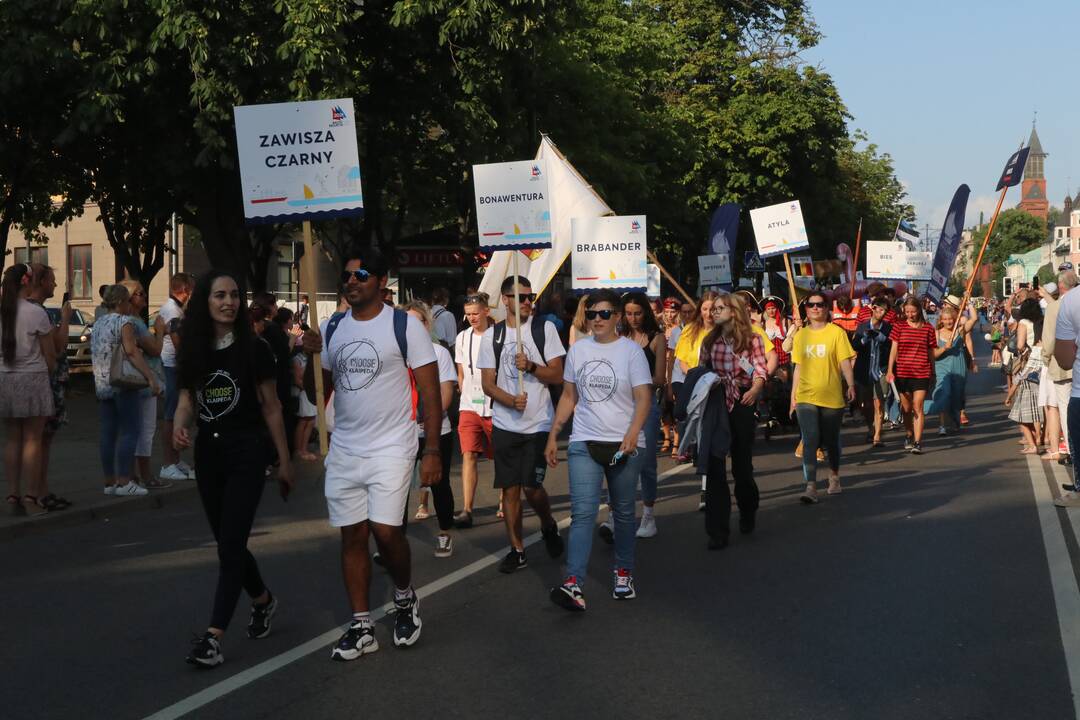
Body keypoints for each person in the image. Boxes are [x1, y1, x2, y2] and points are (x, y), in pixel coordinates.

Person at [301, 248, 442, 659]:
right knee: (352, 535)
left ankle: (403, 596)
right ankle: (361, 624)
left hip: (392, 446)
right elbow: (319, 389)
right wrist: (308, 355)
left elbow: (430, 393)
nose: (352, 281)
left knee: (385, 530)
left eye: (361, 274)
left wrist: (431, 449)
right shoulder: (332, 327)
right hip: (345, 447)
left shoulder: (404, 327)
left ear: (382, 281)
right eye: (347, 275)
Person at [174, 271, 293, 668]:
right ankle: (263, 600)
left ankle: (212, 637)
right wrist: (179, 424)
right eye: (220, 295)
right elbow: (189, 399)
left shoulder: (254, 348)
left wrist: (285, 459)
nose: (229, 302)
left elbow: (272, 406)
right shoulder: (194, 349)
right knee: (231, 544)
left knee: (228, 547)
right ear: (205, 302)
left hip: (247, 452)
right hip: (209, 455)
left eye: (235, 296)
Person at [545, 290, 652, 611]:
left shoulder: (631, 352)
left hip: (624, 445)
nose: (597, 320)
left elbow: (644, 397)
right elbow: (568, 396)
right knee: (582, 514)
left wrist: (633, 433)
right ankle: (573, 583)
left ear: (617, 317)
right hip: (584, 440)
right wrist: (553, 434)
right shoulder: (578, 351)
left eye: (604, 314)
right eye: (592, 314)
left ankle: (623, 573)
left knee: (621, 512)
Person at [477, 275, 565, 573]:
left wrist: (531, 366)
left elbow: (557, 375)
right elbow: (487, 383)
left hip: (538, 423)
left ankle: (548, 523)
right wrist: (508, 400)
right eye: (522, 297)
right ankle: (517, 550)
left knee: (531, 486)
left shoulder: (545, 329)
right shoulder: (493, 336)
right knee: (509, 490)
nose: (529, 302)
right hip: (505, 423)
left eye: (532, 296)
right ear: (505, 300)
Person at [91, 284, 161, 497]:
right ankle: (124, 481)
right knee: (130, 431)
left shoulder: (99, 323)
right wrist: (150, 376)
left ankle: (109, 481)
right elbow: (131, 352)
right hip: (123, 382)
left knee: (108, 433)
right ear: (122, 302)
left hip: (103, 384)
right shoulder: (125, 322)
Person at [401, 300, 458, 558]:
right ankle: (395, 541)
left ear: (427, 324)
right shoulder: (397, 352)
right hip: (402, 432)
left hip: (437, 430)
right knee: (398, 486)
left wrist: (428, 419)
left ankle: (445, 533)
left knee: (439, 483)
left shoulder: (439, 353)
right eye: (406, 321)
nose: (411, 327)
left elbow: (445, 393)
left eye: (417, 321)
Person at [1, 264, 57, 516]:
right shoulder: (36, 313)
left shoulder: (3, 311)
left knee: (13, 438)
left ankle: (12, 495)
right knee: (33, 440)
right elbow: (51, 358)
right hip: (33, 377)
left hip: (5, 378)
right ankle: (31, 496)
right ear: (27, 282)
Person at [791, 291, 857, 502]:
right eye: (811, 305)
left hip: (831, 396)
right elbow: (798, 368)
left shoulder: (836, 333)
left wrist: (851, 384)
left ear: (827, 308)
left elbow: (845, 361)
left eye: (820, 305)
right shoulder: (800, 335)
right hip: (806, 396)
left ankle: (834, 476)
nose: (815, 308)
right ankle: (810, 486)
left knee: (830, 440)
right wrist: (793, 397)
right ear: (806, 309)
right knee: (810, 439)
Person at [617, 292, 666, 539]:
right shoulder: (619, 337)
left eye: (637, 313)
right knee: (618, 460)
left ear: (645, 312)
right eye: (628, 313)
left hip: (645, 406)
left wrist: (633, 383)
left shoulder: (657, 338)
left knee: (645, 463)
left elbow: (660, 379)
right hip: (619, 407)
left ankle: (648, 515)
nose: (633, 318)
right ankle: (617, 516)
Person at [26, 264, 73, 511]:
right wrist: (65, 319)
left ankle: (39, 490)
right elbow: (59, 346)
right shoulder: (38, 311)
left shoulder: (28, 310)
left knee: (39, 440)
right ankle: (38, 492)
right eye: (52, 280)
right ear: (42, 282)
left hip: (34, 380)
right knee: (42, 440)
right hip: (48, 382)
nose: (55, 285)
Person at [121, 279, 170, 489]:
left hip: (126, 381)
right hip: (143, 381)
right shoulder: (136, 323)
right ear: (130, 298)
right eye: (140, 294)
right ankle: (144, 475)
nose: (144, 297)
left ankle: (131, 475)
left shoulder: (117, 319)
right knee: (145, 429)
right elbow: (156, 350)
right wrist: (160, 330)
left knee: (130, 428)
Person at [453, 292, 494, 528]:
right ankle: (467, 509)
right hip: (469, 405)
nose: (471, 318)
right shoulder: (462, 337)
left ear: (486, 311)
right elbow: (461, 371)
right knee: (468, 454)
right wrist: (464, 392)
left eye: (475, 313)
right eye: (468, 314)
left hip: (495, 407)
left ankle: (504, 501)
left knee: (499, 456)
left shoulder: (498, 336)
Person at [886, 297, 937, 454]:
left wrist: (933, 371)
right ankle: (909, 433)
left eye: (913, 311)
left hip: (922, 371)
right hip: (903, 372)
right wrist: (889, 370)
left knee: (918, 406)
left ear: (919, 310)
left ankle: (917, 441)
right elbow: (893, 350)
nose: (910, 314)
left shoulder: (928, 328)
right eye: (907, 311)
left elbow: (931, 351)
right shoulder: (899, 327)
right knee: (906, 408)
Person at [159, 273, 195, 483]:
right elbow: (176, 340)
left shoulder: (175, 309)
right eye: (193, 288)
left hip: (174, 366)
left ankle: (175, 459)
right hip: (172, 366)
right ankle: (167, 463)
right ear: (185, 289)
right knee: (171, 415)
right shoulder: (173, 310)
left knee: (174, 414)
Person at [1042, 273, 1078, 463]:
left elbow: (1049, 341)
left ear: (1060, 286)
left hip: (1061, 364)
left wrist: (1046, 359)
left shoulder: (1055, 307)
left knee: (1065, 408)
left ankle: (1072, 450)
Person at [928, 302, 977, 435]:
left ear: (955, 319)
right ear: (941, 320)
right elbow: (933, 354)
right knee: (944, 393)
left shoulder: (960, 330)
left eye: (950, 319)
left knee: (957, 396)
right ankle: (942, 425)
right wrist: (944, 348)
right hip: (942, 366)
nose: (948, 322)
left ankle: (955, 419)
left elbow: (974, 319)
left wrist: (969, 303)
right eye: (945, 319)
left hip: (958, 365)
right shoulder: (936, 333)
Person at [1005, 298, 1045, 453]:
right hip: (1042, 365)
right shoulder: (1041, 321)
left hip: (1029, 363)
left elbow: (1020, 345)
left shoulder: (1023, 323)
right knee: (1039, 406)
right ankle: (1041, 436)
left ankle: (1032, 443)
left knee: (1025, 410)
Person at [851, 298, 892, 446]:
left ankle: (877, 436)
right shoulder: (862, 326)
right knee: (866, 405)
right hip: (864, 370)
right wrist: (865, 338)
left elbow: (891, 346)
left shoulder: (887, 327)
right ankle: (871, 428)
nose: (881, 313)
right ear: (873, 308)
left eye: (884, 311)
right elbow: (854, 345)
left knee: (879, 403)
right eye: (879, 309)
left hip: (881, 370)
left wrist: (880, 337)